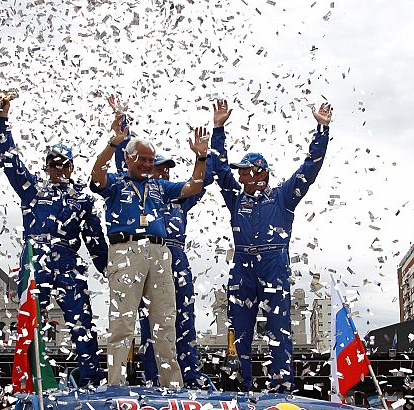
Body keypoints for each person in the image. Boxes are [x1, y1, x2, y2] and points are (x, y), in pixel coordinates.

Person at [210, 98, 333, 391]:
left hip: (273, 264)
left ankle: (282, 388)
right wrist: (218, 129)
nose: (239, 176)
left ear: (261, 173)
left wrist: (322, 129)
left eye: (245, 170)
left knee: (279, 330)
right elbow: (218, 169)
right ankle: (241, 386)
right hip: (242, 267)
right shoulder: (235, 198)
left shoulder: (282, 197)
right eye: (239, 171)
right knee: (240, 331)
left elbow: (310, 169)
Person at [90, 111, 209, 387]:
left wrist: (200, 158)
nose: (146, 164)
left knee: (165, 321)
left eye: (149, 160)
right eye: (141, 159)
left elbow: (193, 187)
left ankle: (171, 385)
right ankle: (115, 384)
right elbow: (96, 176)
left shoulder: (159, 186)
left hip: (158, 253)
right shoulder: (117, 183)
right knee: (123, 322)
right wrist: (113, 143)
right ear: (129, 158)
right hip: (125, 250)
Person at [0, 100, 108, 387]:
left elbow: (95, 240)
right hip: (36, 256)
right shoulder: (32, 189)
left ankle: (91, 381)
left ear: (72, 165)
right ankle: (29, 378)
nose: (59, 168)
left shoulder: (83, 198)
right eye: (54, 164)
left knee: (81, 319)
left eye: (64, 163)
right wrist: (2, 121)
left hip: (69, 258)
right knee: (30, 318)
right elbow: (10, 161)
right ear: (46, 166)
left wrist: (109, 270)